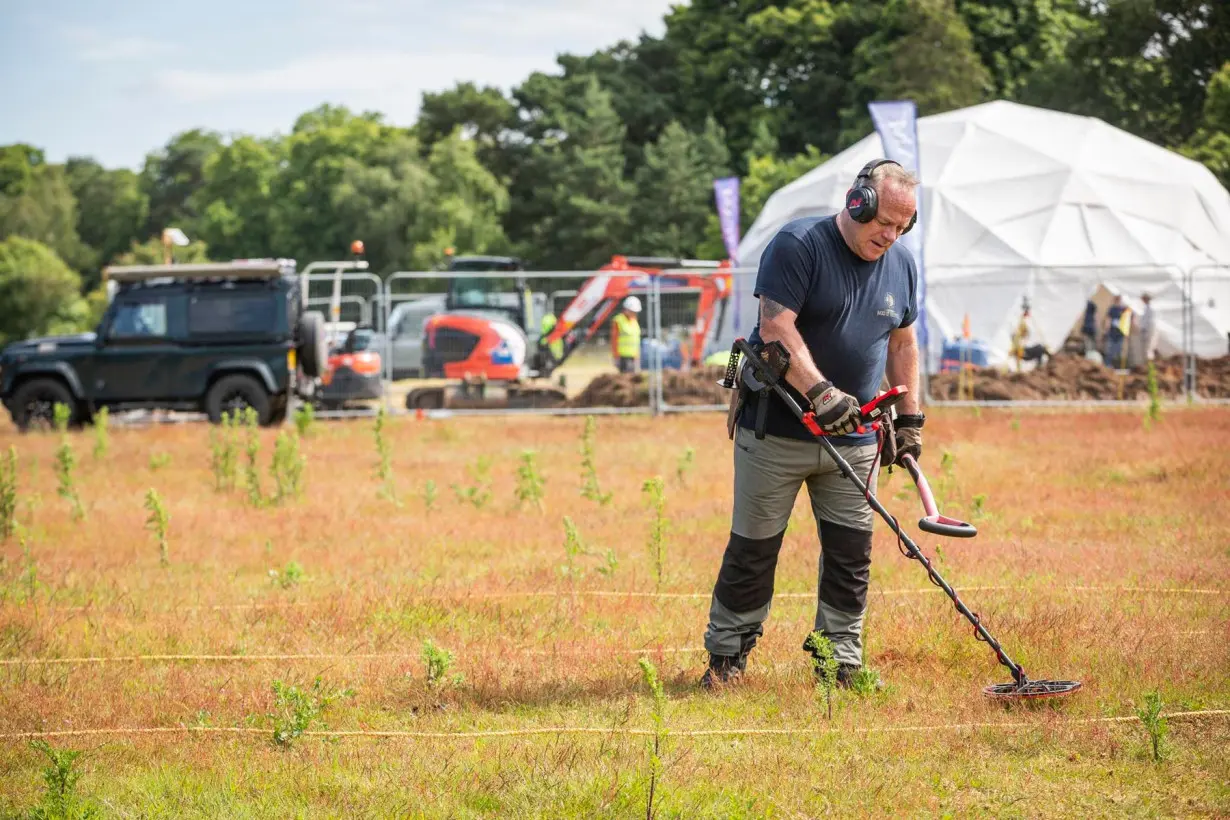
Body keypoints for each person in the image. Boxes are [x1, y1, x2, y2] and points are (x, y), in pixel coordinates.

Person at [702, 158, 924, 690]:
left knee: (851, 554)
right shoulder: (798, 245)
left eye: (902, 227)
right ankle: (727, 659)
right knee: (754, 549)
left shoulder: (903, 266)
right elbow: (774, 328)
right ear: (857, 202)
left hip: (856, 439)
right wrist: (821, 393)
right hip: (775, 431)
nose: (890, 236)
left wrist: (911, 420)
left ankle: (840, 662)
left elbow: (903, 342)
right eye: (883, 222)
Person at [611, 296, 642, 374]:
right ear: (626, 309)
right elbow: (614, 340)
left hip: (633, 356)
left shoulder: (634, 321)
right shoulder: (618, 320)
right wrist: (616, 356)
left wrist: (637, 355)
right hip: (623, 357)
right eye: (632, 311)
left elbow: (636, 339)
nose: (634, 313)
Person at [1103, 293, 1131, 368]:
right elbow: (1108, 319)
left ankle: (1116, 365)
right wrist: (1106, 330)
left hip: (1120, 333)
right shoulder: (1112, 309)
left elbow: (1127, 320)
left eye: (1118, 299)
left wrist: (1126, 332)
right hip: (1112, 332)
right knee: (1109, 350)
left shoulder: (1124, 309)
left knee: (1118, 349)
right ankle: (1107, 364)